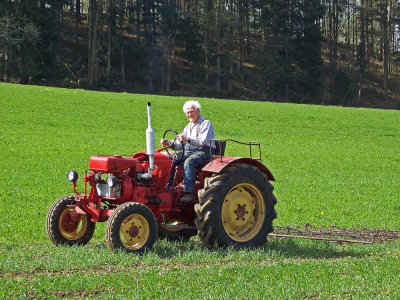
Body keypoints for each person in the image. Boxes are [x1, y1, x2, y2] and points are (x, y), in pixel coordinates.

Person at [161, 100, 216, 203]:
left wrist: (187, 140)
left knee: (189, 161)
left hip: (204, 152)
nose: (190, 114)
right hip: (188, 152)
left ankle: (189, 193)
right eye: (187, 112)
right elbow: (179, 146)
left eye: (192, 111)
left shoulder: (206, 124)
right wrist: (169, 143)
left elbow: (202, 141)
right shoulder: (188, 127)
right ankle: (168, 187)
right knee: (169, 160)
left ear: (198, 110)